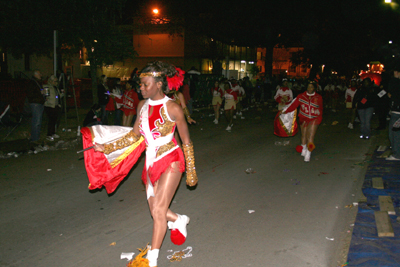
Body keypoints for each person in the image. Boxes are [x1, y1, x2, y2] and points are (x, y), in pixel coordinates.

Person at [81, 61, 198, 267]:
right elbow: (135, 136)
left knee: (159, 213)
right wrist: (106, 148)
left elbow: (186, 141)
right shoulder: (142, 106)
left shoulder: (173, 108)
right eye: (141, 85)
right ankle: (179, 220)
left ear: (159, 84)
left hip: (171, 158)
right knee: (156, 210)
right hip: (150, 162)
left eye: (145, 84)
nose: (141, 88)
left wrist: (191, 171)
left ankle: (151, 260)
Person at [282, 81, 323, 162]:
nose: (309, 89)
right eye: (308, 87)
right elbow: (294, 105)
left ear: (314, 88)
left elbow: (321, 109)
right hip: (303, 118)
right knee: (303, 135)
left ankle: (309, 152)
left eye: (311, 87)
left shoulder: (318, 97)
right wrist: (284, 111)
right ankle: (303, 148)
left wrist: (319, 118)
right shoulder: (301, 96)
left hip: (314, 118)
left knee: (310, 136)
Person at [26, 70, 45, 143]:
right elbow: (30, 93)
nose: (41, 75)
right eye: (40, 74)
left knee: (39, 121)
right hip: (35, 103)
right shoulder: (32, 83)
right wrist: (39, 93)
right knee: (36, 121)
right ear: (36, 75)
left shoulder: (38, 82)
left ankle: (36, 136)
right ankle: (34, 138)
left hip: (39, 102)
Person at [387, 65, 400, 161]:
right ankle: (396, 152)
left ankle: (397, 154)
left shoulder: (396, 82)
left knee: (394, 134)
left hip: (398, 113)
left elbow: (392, 86)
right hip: (396, 111)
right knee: (394, 133)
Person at [43, 75, 62, 141]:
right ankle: (49, 134)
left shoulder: (55, 88)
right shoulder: (47, 87)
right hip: (50, 106)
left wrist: (61, 94)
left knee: (54, 120)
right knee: (51, 120)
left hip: (55, 106)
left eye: (56, 81)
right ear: (51, 81)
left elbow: (57, 96)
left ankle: (53, 133)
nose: (56, 82)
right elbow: (45, 96)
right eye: (55, 81)